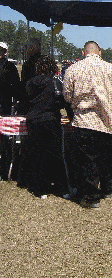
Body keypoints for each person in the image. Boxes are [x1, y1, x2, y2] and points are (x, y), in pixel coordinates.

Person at [63, 41, 112, 209]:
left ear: (84, 52)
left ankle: (91, 197)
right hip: (107, 121)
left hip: (84, 120)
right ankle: (107, 188)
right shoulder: (111, 68)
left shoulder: (73, 69)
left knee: (87, 160)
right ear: (100, 52)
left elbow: (67, 96)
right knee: (106, 157)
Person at [21, 55, 69, 198]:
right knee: (55, 155)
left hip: (33, 121)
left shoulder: (30, 83)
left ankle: (40, 189)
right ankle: (62, 188)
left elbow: (26, 101)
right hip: (50, 120)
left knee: (37, 155)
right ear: (52, 68)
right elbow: (61, 102)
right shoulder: (55, 83)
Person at [0, 42, 22, 180]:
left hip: (5, 106)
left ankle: (4, 170)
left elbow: (16, 87)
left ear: (6, 52)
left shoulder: (10, 67)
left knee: (5, 140)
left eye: (2, 50)